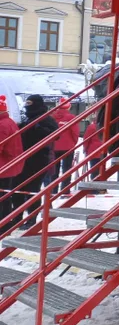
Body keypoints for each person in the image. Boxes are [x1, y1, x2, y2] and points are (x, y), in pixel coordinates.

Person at [16, 94, 57, 228]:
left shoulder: (46, 119)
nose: (27, 106)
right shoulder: (27, 118)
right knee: (19, 188)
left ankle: (31, 219)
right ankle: (17, 217)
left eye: (30, 103)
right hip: (24, 158)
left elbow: (56, 134)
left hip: (39, 158)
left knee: (32, 189)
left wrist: (39, 129)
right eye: (26, 103)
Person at [0, 95, 24, 236]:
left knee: (3, 198)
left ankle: (4, 225)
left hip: (3, 166)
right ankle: (6, 223)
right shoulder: (9, 122)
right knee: (5, 197)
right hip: (9, 165)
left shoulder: (2, 125)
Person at [48, 97, 79, 192]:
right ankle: (65, 190)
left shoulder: (51, 117)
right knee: (67, 169)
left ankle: (53, 190)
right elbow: (75, 133)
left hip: (54, 147)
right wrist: (73, 143)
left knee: (54, 170)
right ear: (69, 107)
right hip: (68, 147)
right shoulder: (71, 118)